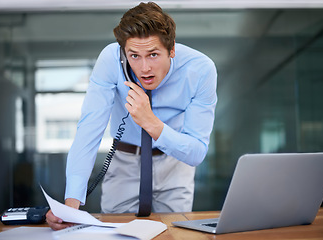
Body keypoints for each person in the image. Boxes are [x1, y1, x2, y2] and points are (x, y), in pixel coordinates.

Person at [46, 1, 217, 230]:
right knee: (115, 233)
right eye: (134, 56)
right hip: (123, 161)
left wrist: (150, 122)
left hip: (175, 165)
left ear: (172, 49)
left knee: (175, 233)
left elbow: (196, 152)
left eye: (153, 54)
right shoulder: (110, 60)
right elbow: (89, 130)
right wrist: (71, 205)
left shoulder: (201, 70)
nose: (144, 67)